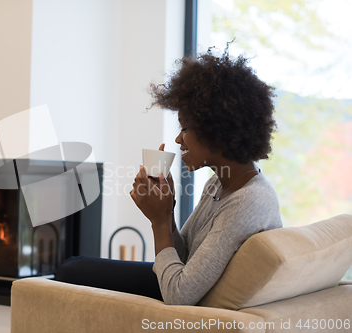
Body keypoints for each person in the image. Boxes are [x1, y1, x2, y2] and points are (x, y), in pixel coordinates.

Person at [55, 45, 283, 306]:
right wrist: (168, 209)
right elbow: (185, 255)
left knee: (71, 271)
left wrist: (159, 221)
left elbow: (179, 294)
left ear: (217, 130)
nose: (177, 139)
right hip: (182, 282)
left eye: (184, 128)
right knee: (72, 267)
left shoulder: (247, 201)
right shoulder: (219, 184)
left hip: (182, 293)